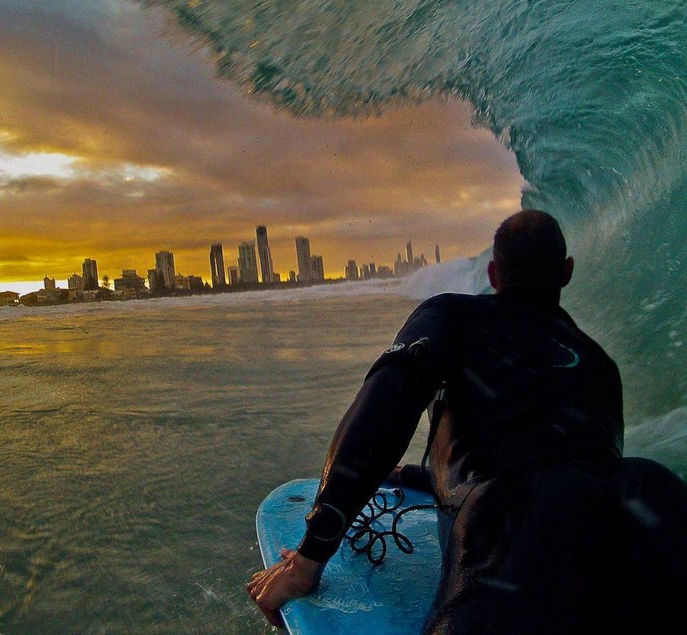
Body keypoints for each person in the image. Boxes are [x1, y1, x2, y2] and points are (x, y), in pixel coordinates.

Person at [248, 209, 627, 632]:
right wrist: (418, 475)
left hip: (501, 549)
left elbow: (389, 399)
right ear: (567, 272)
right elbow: (554, 459)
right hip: (622, 547)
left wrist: (310, 557)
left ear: (493, 274)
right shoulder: (601, 368)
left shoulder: (452, 317)